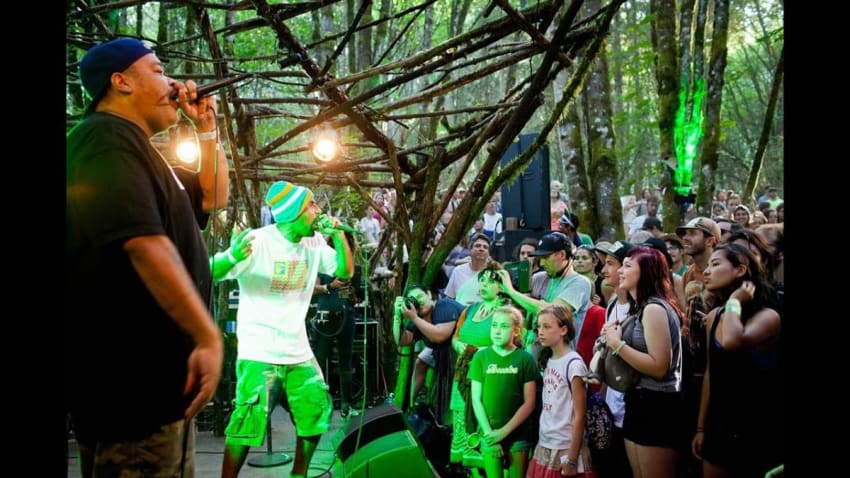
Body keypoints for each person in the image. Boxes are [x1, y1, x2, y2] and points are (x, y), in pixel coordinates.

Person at [66, 38, 225, 478]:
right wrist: (207, 336)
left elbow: (213, 195)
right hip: (133, 400)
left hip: (164, 394)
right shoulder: (103, 139)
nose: (173, 82)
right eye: (157, 70)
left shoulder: (143, 154)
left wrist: (207, 128)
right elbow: (144, 245)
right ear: (121, 82)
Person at [212, 180, 354, 478]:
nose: (318, 211)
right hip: (259, 351)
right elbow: (211, 270)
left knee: (315, 410)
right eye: (312, 205)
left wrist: (339, 235)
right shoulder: (258, 241)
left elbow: (344, 272)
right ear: (294, 214)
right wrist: (232, 257)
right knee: (247, 422)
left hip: (298, 351)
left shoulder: (314, 242)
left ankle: (298, 474)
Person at [691, 244, 782, 477]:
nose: (707, 271)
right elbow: (712, 373)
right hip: (719, 425)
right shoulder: (715, 316)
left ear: (740, 270)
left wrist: (734, 300)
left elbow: (733, 340)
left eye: (716, 264)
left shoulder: (768, 316)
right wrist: (701, 427)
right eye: (707, 265)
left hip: (757, 428)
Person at [602, 246, 685, 478]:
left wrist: (617, 345)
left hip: (658, 405)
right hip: (637, 401)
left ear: (646, 272)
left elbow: (659, 367)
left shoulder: (654, 309)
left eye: (628, 266)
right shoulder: (639, 308)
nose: (620, 271)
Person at [468, 306, 538, 478]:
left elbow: (529, 403)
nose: (497, 330)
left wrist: (503, 433)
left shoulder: (525, 359)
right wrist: (490, 435)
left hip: (518, 436)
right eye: (494, 325)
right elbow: (476, 400)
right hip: (489, 433)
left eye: (504, 326)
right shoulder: (480, 357)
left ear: (516, 331)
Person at [527, 306, 590, 478]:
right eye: (539, 327)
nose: (541, 332)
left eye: (547, 327)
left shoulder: (574, 364)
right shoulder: (548, 359)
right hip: (546, 441)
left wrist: (571, 458)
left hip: (565, 445)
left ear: (563, 330)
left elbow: (580, 415)